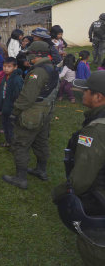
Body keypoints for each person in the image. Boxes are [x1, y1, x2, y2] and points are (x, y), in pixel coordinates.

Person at [52, 71, 105, 265]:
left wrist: (59, 193)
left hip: (99, 206)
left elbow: (81, 181)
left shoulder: (96, 131)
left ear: (98, 97)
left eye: (87, 91)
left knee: (95, 253)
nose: (83, 94)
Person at [2, 41, 59, 189]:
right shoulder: (51, 68)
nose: (28, 57)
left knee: (21, 144)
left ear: (36, 54)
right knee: (41, 141)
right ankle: (41, 170)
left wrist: (15, 112)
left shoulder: (37, 72)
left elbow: (27, 97)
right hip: (45, 112)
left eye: (30, 54)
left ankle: (20, 178)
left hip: (32, 114)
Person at [0, 57, 24, 148]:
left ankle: (14, 145)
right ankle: (8, 142)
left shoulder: (17, 80)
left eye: (9, 66)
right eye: (4, 66)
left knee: (12, 128)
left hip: (12, 108)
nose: (6, 68)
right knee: (6, 126)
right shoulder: (6, 77)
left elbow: (18, 96)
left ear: (15, 67)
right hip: (5, 107)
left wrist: (15, 109)